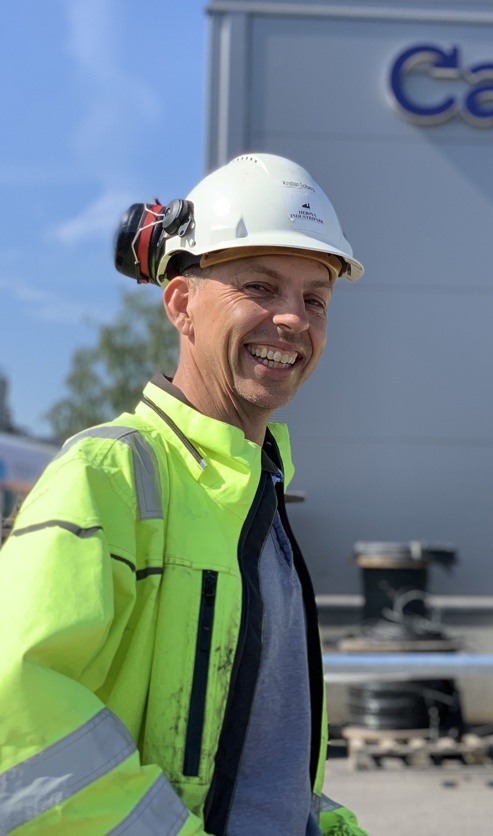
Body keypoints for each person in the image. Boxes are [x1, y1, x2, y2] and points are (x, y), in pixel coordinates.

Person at [0, 153, 369, 835]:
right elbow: (16, 717)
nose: (292, 320)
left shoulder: (260, 502)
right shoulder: (107, 478)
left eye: (314, 298)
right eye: (260, 287)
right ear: (180, 304)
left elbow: (264, 770)